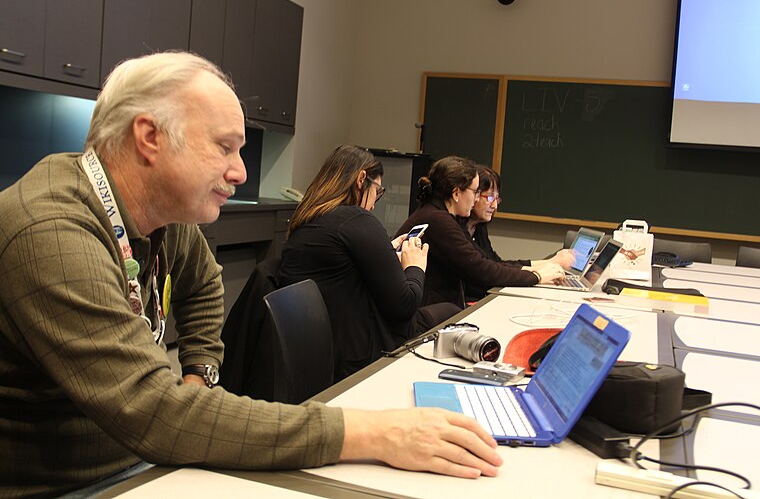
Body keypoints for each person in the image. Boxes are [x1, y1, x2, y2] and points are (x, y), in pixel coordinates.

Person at [0, 52, 501, 498]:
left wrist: (199, 371)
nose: (240, 172)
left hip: (138, 459)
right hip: (74, 482)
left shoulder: (164, 216)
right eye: (224, 147)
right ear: (149, 138)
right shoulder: (52, 231)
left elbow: (203, 284)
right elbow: (151, 411)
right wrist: (374, 434)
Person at [278, 145, 461, 381]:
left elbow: (344, 271)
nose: (375, 203)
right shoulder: (357, 218)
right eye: (378, 191)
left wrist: (386, 250)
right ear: (361, 179)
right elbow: (405, 306)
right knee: (452, 311)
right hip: (361, 355)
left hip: (321, 351)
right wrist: (415, 266)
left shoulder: (307, 219)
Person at [396, 156, 565, 308]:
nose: (477, 198)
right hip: (426, 314)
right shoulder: (439, 221)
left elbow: (487, 263)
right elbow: (482, 271)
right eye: (476, 192)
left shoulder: (435, 214)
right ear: (456, 193)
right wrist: (536, 276)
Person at [463, 165, 575, 301]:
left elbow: (496, 263)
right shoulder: (457, 229)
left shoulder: (478, 226)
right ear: (472, 194)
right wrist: (538, 274)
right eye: (490, 198)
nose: (495, 206)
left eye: (497, 199)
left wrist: (547, 264)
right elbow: (488, 271)